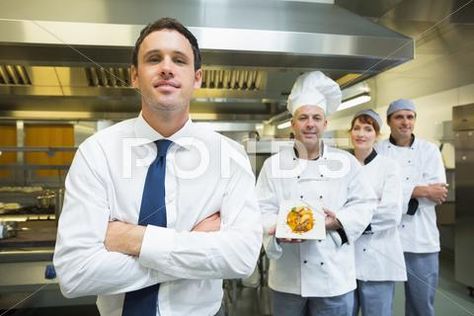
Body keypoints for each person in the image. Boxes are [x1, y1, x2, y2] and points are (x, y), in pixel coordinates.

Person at [53, 17, 262, 316]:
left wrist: (133, 239)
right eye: (154, 59)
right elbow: (74, 274)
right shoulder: (96, 152)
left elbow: (242, 258)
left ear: (197, 77)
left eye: (179, 59)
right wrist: (196, 246)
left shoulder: (230, 156)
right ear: (135, 76)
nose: (167, 67)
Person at [256, 71, 377, 316]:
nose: (309, 124)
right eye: (303, 118)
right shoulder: (272, 165)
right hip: (287, 280)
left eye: (316, 117)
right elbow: (261, 210)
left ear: (325, 123)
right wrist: (279, 231)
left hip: (333, 277)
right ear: (293, 124)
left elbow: (365, 203)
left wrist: (337, 222)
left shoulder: (346, 162)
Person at [376, 99, 448, 316]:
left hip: (421, 240)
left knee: (422, 305)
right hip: (385, 238)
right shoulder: (378, 150)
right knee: (379, 304)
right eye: (399, 117)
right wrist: (421, 190)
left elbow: (439, 194)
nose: (405, 122)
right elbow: (375, 192)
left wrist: (396, 191)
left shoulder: (430, 150)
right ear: (389, 121)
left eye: (410, 117)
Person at [349, 109, 407, 316]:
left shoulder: (389, 167)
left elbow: (391, 212)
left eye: (368, 129)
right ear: (350, 133)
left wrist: (348, 222)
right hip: (345, 259)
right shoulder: (342, 166)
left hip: (379, 259)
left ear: (377, 135)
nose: (361, 134)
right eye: (356, 128)